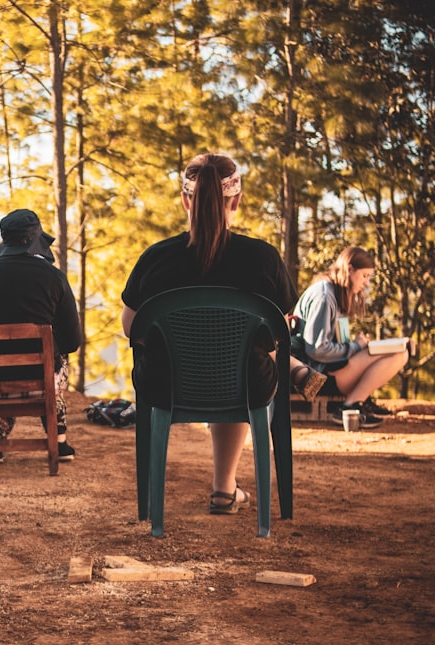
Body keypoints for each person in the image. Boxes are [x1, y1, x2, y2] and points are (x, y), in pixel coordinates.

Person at [121, 152, 317, 515]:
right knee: (242, 365)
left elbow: (132, 327)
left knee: (229, 365)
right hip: (245, 384)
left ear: (184, 200)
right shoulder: (263, 259)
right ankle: (224, 490)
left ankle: (207, 496)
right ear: (237, 201)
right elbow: (282, 328)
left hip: (166, 383)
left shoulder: (156, 258)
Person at [0, 208, 82, 463]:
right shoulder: (54, 278)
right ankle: (58, 443)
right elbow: (72, 341)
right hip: (44, 383)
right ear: (34, 239)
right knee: (57, 363)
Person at [291, 246, 410, 427]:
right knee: (399, 355)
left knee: (399, 351)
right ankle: (350, 406)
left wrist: (356, 345)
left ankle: (359, 401)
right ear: (350, 269)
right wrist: (355, 347)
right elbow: (316, 349)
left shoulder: (334, 294)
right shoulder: (324, 297)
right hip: (316, 376)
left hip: (330, 368)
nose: (367, 283)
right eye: (364, 276)